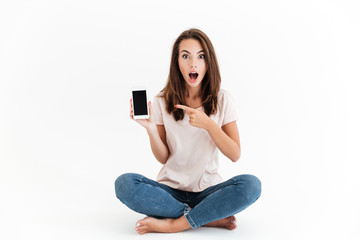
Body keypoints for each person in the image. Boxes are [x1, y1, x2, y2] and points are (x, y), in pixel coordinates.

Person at [115, 28, 261, 235]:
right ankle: (204, 217)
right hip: (170, 191)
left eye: (201, 56)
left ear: (208, 62)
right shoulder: (161, 101)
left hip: (208, 191)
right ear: (177, 63)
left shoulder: (223, 100)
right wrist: (150, 130)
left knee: (251, 185)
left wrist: (209, 124)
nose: (193, 63)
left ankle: (176, 223)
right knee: (124, 184)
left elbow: (235, 154)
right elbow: (163, 157)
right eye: (186, 56)